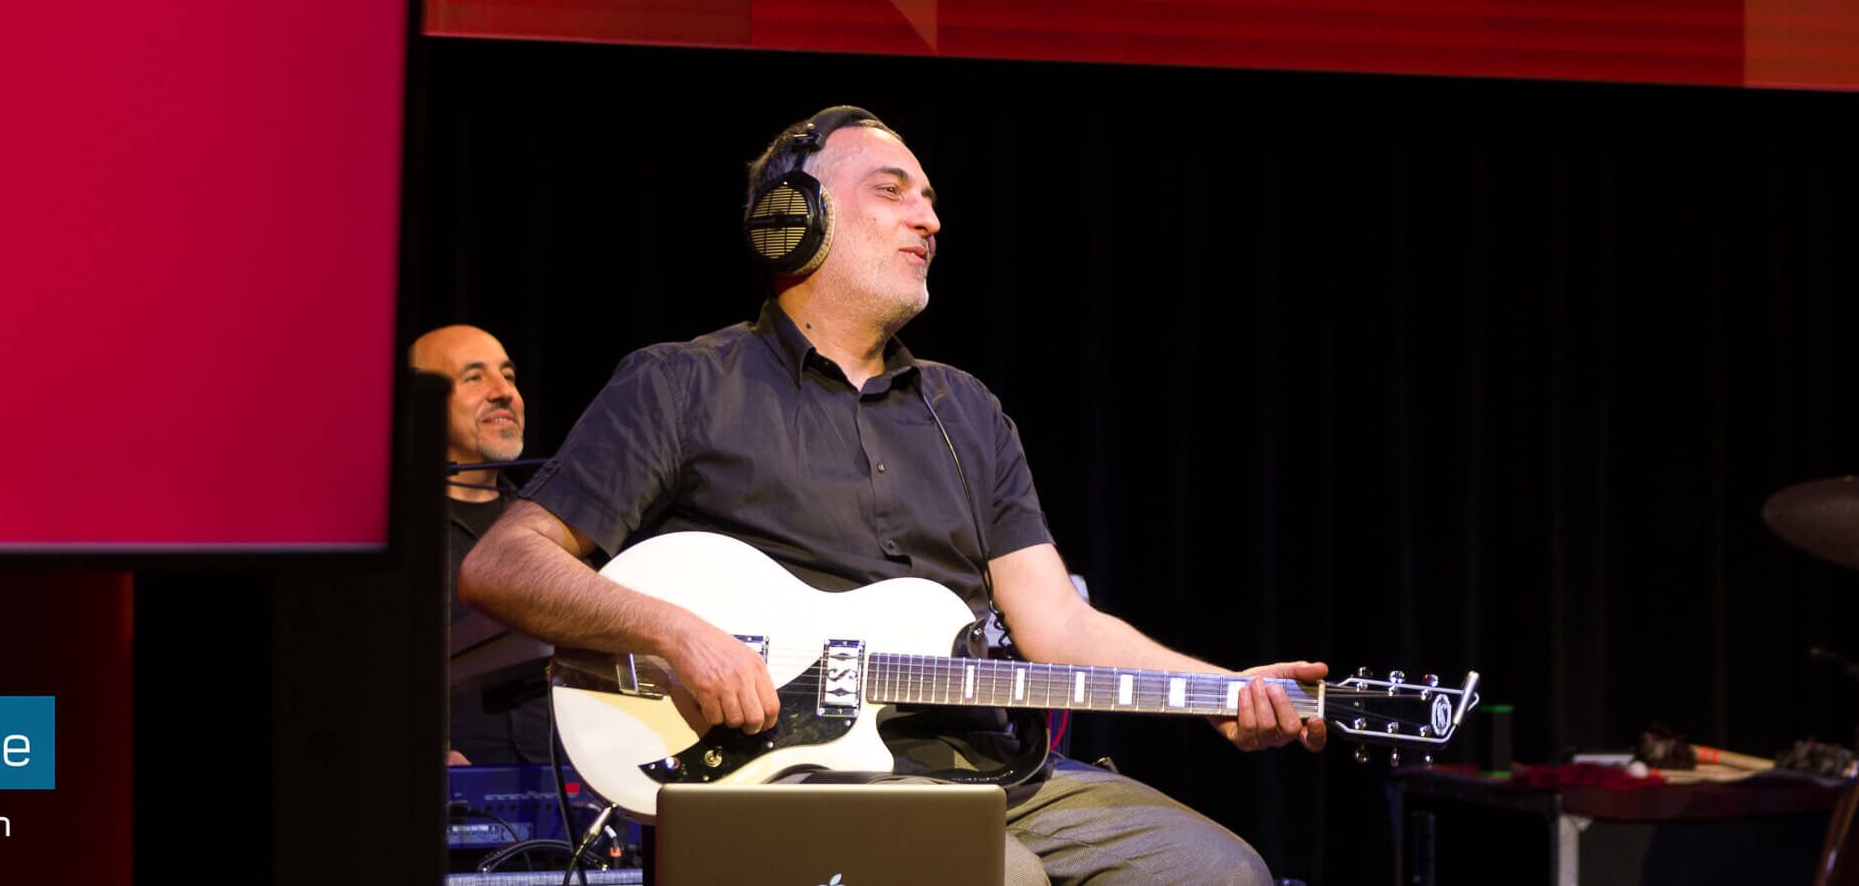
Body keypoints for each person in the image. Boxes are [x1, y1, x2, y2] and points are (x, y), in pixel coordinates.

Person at [457, 107, 1324, 885]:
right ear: (795, 219)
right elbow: (503, 565)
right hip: (790, 782)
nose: (930, 219)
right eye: (892, 190)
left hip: (990, 768)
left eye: (930, 200)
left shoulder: (968, 410)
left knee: (1216, 869)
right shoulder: (681, 385)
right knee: (996, 875)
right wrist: (679, 636)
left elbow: (1058, 623)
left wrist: (1225, 689)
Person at [410, 323, 553, 767]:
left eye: (508, 376)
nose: (503, 392)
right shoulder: (395, 537)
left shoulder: (549, 526)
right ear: (420, 404)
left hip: (558, 791)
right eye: (474, 377)